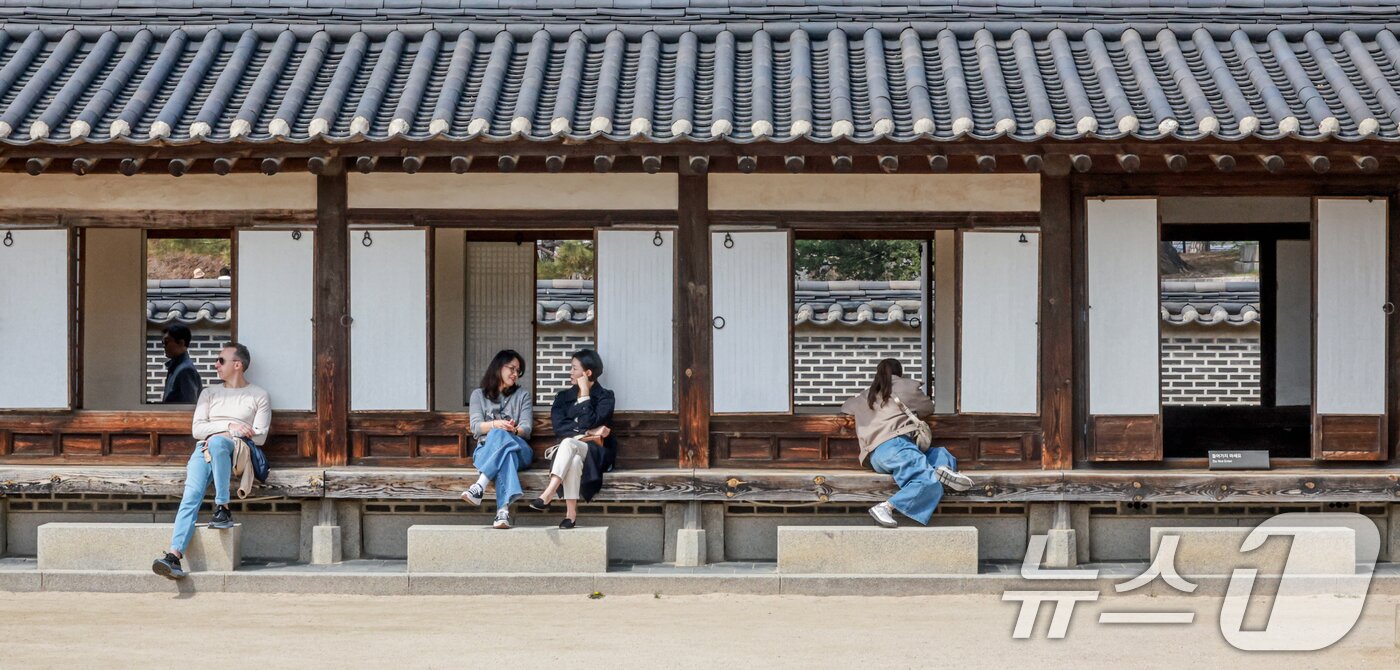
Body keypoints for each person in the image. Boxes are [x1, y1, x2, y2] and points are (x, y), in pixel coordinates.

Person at [153, 342, 271, 579]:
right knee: (190, 496)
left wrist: (226, 434)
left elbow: (260, 435)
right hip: (203, 448)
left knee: (217, 443)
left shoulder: (258, 395)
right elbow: (198, 429)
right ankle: (174, 556)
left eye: (221, 360)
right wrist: (230, 425)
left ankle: (223, 506)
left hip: (236, 452)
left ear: (237, 365)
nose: (215, 365)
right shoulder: (209, 393)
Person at [840, 358, 973, 529]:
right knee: (929, 483)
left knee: (940, 453)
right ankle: (886, 507)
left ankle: (942, 470)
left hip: (876, 457)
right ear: (899, 372)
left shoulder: (866, 395)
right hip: (896, 446)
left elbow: (845, 407)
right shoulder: (906, 386)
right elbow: (927, 408)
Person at [529, 349, 615, 529]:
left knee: (568, 443)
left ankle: (549, 492)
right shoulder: (562, 398)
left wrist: (584, 393)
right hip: (571, 452)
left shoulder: (606, 397)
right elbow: (560, 428)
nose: (570, 372)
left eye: (574, 368)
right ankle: (571, 515)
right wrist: (590, 432)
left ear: (587, 373)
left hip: (595, 452)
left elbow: (590, 420)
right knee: (573, 459)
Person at [461, 350, 534, 529]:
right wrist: (497, 424)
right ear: (499, 367)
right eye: (512, 369)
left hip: (520, 449)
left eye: (518, 371)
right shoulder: (478, 395)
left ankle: (480, 485)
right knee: (501, 446)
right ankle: (502, 511)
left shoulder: (522, 395)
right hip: (486, 451)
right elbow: (476, 427)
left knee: (500, 435)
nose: (515, 374)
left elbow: (527, 429)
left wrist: (513, 430)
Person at [160, 324, 203, 404]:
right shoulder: (175, 367)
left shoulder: (186, 370)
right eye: (163, 342)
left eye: (166, 342)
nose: (164, 346)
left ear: (181, 343)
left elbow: (189, 405)